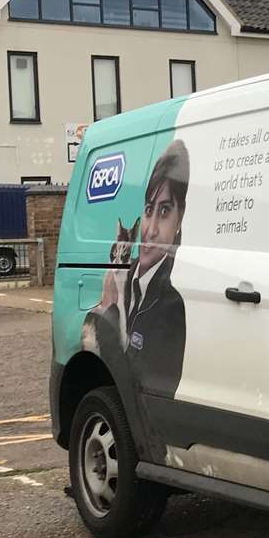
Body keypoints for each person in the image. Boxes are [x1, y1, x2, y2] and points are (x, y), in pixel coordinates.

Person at [88, 139, 189, 400]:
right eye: (148, 210)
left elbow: (148, 385)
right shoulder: (122, 275)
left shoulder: (172, 304)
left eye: (164, 211)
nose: (151, 229)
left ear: (180, 219)